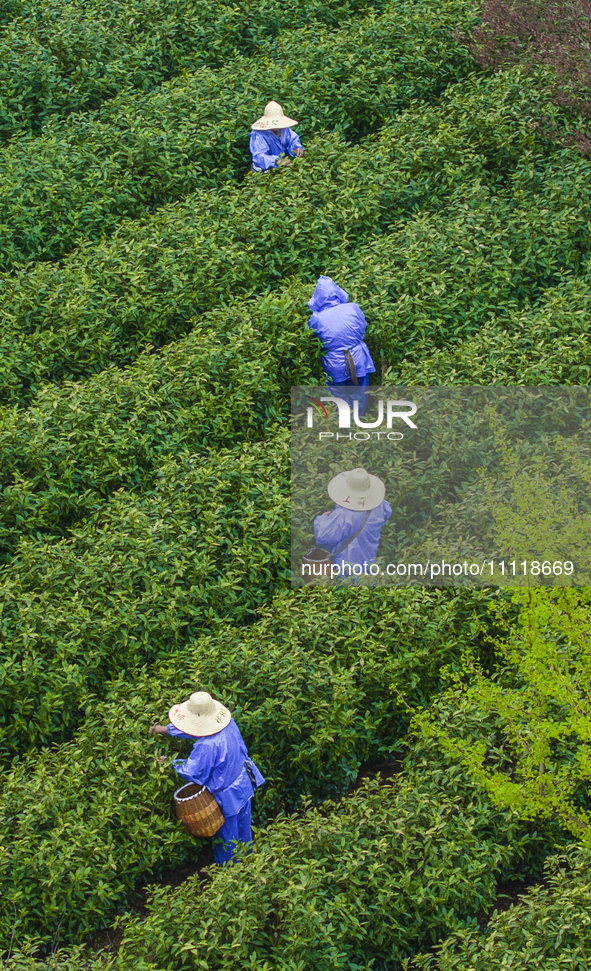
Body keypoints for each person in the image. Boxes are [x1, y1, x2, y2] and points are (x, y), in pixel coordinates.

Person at [150, 691, 264, 865]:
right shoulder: (227, 722)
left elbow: (194, 772)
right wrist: (165, 730)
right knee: (244, 828)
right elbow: (195, 729)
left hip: (226, 795)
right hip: (243, 782)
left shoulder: (208, 745)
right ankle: (250, 864)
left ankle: (230, 875)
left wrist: (171, 763)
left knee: (228, 837)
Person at [307, 276, 376, 412]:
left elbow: (310, 338)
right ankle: (358, 425)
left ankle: (343, 428)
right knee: (359, 395)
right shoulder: (353, 308)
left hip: (333, 364)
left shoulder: (316, 318)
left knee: (337, 399)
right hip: (358, 359)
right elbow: (363, 327)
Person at [314, 468, 391, 576]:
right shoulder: (381, 505)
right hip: (369, 560)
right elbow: (387, 513)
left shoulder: (342, 513)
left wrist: (322, 519)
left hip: (346, 566)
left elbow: (324, 538)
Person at [250, 101, 304, 172]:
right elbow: (259, 157)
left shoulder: (284, 129)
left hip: (282, 167)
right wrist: (276, 161)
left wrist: (296, 147)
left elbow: (293, 139)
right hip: (262, 170)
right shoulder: (258, 134)